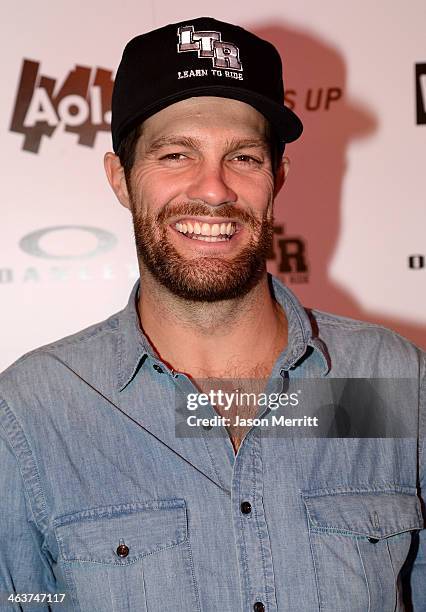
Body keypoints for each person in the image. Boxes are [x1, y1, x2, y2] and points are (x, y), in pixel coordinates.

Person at [0, 16, 424, 612]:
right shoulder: (34, 411)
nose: (215, 189)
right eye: (176, 154)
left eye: (244, 158)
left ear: (278, 177)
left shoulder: (390, 380)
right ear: (120, 179)